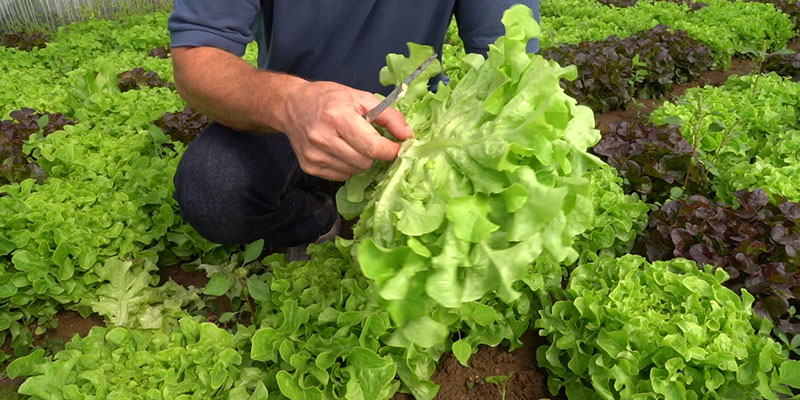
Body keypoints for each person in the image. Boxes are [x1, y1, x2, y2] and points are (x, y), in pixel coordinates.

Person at [167, 1, 540, 254]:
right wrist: (292, 103)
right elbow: (197, 57)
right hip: (293, 121)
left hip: (411, 124)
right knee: (213, 188)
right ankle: (316, 216)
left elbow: (509, 55)